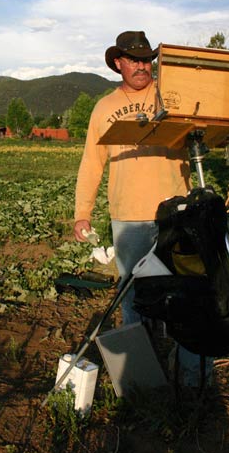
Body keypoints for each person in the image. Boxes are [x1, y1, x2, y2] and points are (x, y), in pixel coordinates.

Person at [74, 30, 212, 386]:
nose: (141, 65)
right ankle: (141, 380)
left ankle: (194, 378)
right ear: (118, 63)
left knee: (187, 292)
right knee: (132, 298)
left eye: (146, 59)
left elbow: (207, 120)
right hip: (129, 218)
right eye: (133, 59)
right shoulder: (103, 108)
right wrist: (82, 212)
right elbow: (92, 162)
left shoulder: (173, 96)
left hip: (176, 214)